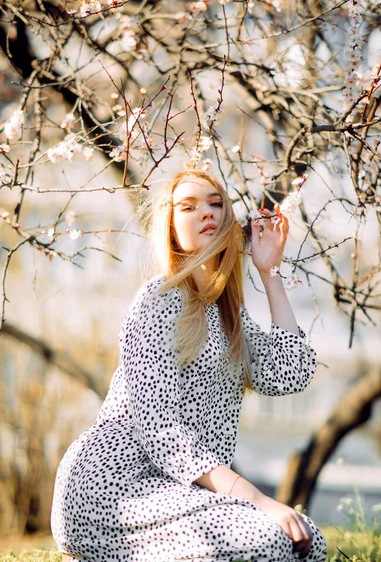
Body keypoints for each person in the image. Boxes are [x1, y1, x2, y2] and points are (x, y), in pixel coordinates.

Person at [51, 168, 326, 562]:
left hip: (181, 490)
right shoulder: (157, 300)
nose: (207, 213)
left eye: (216, 204)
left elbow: (289, 371)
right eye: (189, 206)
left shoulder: (229, 314)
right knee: (266, 539)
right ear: (171, 225)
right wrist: (258, 499)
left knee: (308, 543)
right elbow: (162, 430)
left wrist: (270, 272)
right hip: (112, 483)